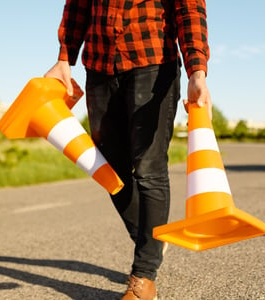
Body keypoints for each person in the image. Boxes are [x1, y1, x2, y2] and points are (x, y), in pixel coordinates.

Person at [44, 1, 211, 299]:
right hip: (99, 66)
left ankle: (144, 276)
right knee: (108, 168)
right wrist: (64, 57)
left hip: (152, 61)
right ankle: (153, 238)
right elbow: (78, 7)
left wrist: (196, 71)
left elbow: (189, 10)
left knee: (149, 169)